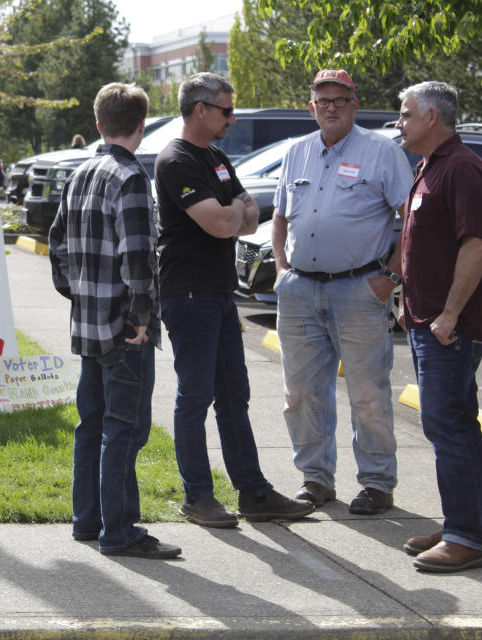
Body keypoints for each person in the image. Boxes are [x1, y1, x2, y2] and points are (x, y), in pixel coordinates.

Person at [155, 72, 314, 528]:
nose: (233, 117)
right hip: (189, 295)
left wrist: (234, 212)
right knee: (196, 396)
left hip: (220, 294)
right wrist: (234, 213)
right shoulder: (176, 160)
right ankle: (198, 497)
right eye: (226, 110)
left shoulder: (217, 157)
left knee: (234, 395)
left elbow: (248, 213)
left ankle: (253, 492)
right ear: (200, 110)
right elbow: (225, 224)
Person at [272, 69, 413, 515]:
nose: (330, 107)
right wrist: (280, 270)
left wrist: (391, 278)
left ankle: (376, 482)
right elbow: (279, 217)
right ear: (311, 107)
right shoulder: (296, 152)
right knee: (301, 392)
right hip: (299, 291)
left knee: (367, 394)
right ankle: (315, 478)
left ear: (354, 104)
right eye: (322, 100)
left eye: (339, 99)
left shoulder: (382, 152)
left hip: (359, 289)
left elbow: (411, 220)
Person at [49, 82, 180, 559]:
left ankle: (88, 520)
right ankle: (120, 531)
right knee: (124, 430)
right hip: (125, 328)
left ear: (99, 125)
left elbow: (56, 243)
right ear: (142, 128)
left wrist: (77, 293)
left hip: (88, 324)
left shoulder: (80, 173)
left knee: (92, 425)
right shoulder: (130, 179)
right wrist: (142, 317)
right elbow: (139, 256)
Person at [395, 81, 482, 573]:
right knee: (457, 424)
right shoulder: (430, 167)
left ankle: (467, 536)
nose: (399, 122)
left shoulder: (462, 169)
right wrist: (407, 301)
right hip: (426, 321)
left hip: (447, 329)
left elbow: (475, 247)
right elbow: (422, 248)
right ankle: (466, 522)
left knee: (447, 426)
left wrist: (450, 313)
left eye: (406, 114)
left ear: (433, 117)